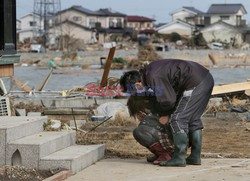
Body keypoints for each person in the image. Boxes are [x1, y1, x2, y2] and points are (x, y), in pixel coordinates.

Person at [120, 59, 214, 167]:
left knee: (178, 119)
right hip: (204, 78)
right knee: (193, 119)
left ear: (137, 85)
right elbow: (167, 95)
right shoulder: (150, 73)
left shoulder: (153, 76)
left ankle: (179, 157)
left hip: (195, 82)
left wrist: (165, 114)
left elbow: (168, 100)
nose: (135, 94)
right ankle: (195, 156)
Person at [127, 95, 174, 165]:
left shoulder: (157, 108)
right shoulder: (156, 105)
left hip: (174, 139)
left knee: (139, 131)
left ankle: (164, 154)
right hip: (176, 139)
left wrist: (144, 120)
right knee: (141, 130)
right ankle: (163, 154)